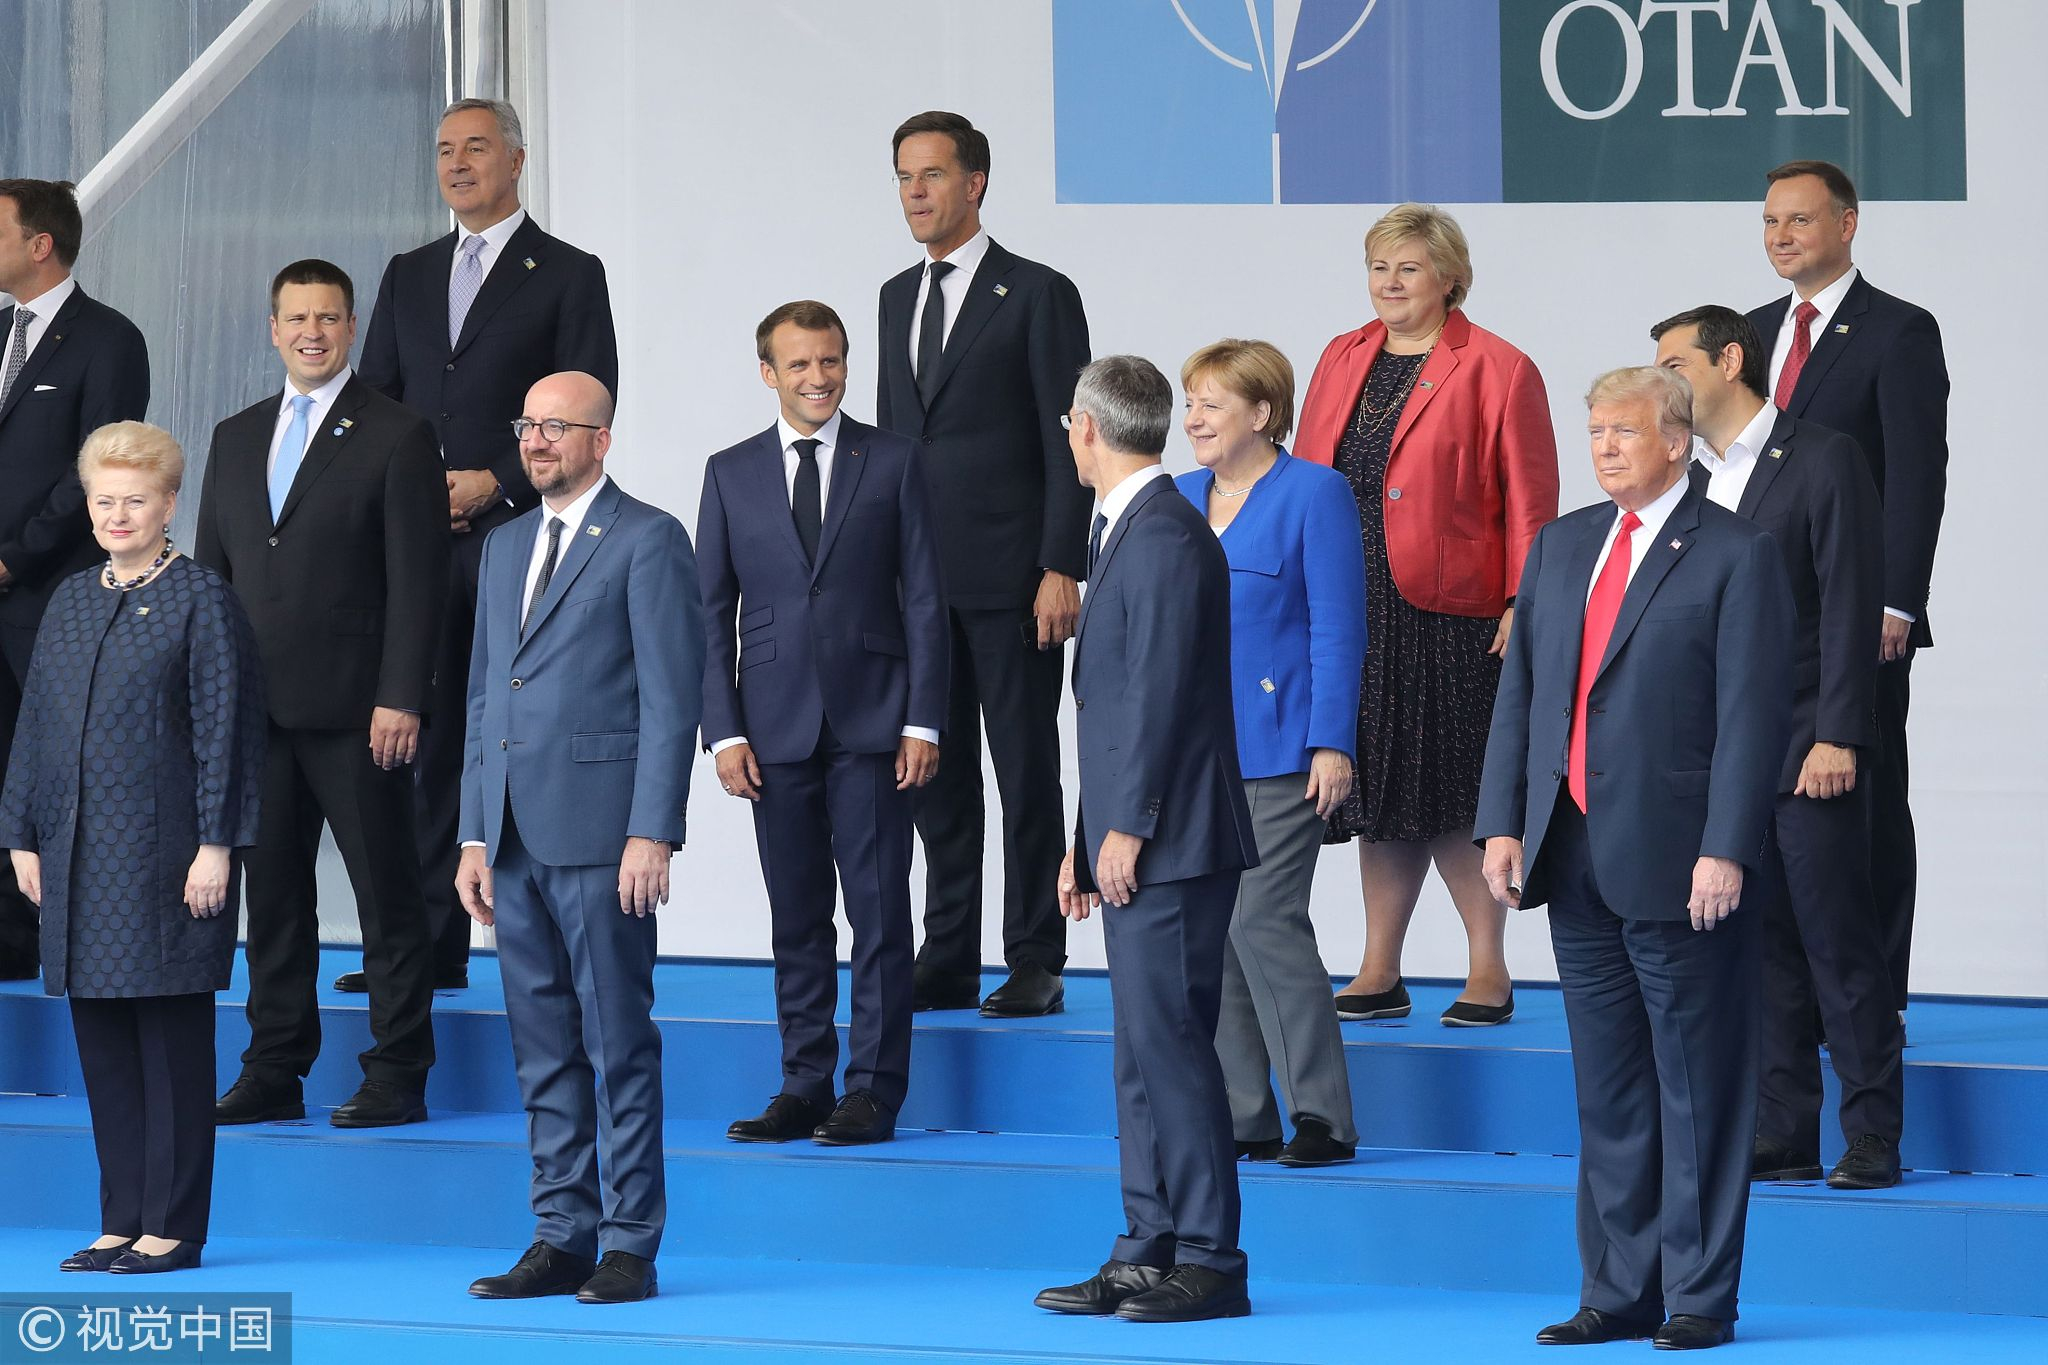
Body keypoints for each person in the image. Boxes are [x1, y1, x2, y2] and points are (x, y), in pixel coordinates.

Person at [1477, 366, 1792, 1351]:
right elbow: (1524, 696)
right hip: (1570, 853)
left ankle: (1697, 1295)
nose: (1604, 447)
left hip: (1682, 861)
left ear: (1675, 442)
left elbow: (1753, 718)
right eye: (1595, 431)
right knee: (1608, 1090)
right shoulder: (1561, 544)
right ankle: (1616, 1291)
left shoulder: (1737, 552)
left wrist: (1725, 847)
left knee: (1697, 1091)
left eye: (1623, 431)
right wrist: (1502, 822)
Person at [356, 97, 620, 996]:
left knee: (504, 728)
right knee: (414, 731)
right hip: (415, 542)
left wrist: (496, 482)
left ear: (516, 159)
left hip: (516, 535)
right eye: (445, 151)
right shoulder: (408, 272)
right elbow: (377, 398)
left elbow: (589, 396)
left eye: (476, 147)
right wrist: (408, 491)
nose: (458, 164)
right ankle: (421, 949)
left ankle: (530, 937)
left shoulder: (569, 271)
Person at [457, 371, 702, 1305]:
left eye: (557, 426)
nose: (537, 440)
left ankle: (629, 1243)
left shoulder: (649, 537)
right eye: (528, 423)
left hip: (603, 835)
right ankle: (561, 1232)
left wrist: (653, 830)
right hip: (512, 838)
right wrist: (473, 834)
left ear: (602, 438)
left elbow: (671, 700)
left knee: (616, 1042)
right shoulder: (504, 543)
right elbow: (486, 697)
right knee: (542, 1047)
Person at [0, 421, 264, 1274]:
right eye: (104, 499)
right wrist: (21, 835)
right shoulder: (72, 598)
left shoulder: (202, 598)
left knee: (170, 1046)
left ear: (169, 503)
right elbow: (36, 727)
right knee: (104, 1047)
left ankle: (173, 1226)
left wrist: (217, 844)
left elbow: (227, 732)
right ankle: (120, 1219)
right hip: (76, 855)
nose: (118, 514)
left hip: (169, 858)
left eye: (135, 500)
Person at [1651, 305, 1903, 1191]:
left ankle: (1872, 1131)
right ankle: (1784, 1128)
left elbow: (1849, 604)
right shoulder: (1686, 477)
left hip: (1806, 741)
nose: (1661, 383)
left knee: (1839, 940)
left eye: (1675, 364)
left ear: (1729, 360)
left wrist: (1838, 732)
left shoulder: (1824, 456)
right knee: (1759, 946)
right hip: (1722, 755)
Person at [196, 259, 448, 1129]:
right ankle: (274, 1066)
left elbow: (419, 579)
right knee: (271, 902)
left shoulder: (398, 433)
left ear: (351, 327)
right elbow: (215, 577)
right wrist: (211, 700)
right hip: (254, 714)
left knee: (387, 895)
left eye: (329, 317)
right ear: (274, 329)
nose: (313, 332)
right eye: (297, 318)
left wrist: (401, 694)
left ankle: (398, 1070)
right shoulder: (235, 435)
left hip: (360, 713)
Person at [1293, 203, 1557, 1026]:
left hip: (1452, 613)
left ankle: (1489, 969)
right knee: (1380, 791)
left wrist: (1521, 600)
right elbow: (1306, 472)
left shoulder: (1500, 366)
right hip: (1355, 603)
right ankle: (1380, 966)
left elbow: (1532, 499)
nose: (1390, 283)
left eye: (1408, 268)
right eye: (1379, 267)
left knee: (1456, 793)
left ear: (1450, 277)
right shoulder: (1342, 355)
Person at [1034, 356, 1259, 1324]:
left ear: (1086, 428)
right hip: (1141, 831)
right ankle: (1146, 1245)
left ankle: (1209, 1256)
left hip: (1172, 837)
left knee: (1170, 1046)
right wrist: (1086, 840)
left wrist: (1124, 826)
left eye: (1068, 424)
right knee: (1139, 1050)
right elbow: (1116, 706)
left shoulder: (1161, 534)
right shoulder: (1130, 527)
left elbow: (1161, 697)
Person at [699, 301, 948, 1146]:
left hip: (877, 722)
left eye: (831, 360)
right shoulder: (729, 472)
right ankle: (804, 1082)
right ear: (768, 372)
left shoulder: (896, 459)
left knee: (879, 915)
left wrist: (925, 720)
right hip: (771, 729)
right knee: (796, 916)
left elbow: (925, 598)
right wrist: (725, 730)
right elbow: (710, 612)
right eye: (801, 364)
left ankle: (873, 1089)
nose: (819, 377)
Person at [877, 111, 1091, 1018]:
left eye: (931, 174)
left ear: (975, 183)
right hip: (918, 585)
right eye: (903, 176)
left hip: (1014, 582)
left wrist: (1060, 564)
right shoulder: (894, 296)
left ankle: (1037, 955)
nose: (914, 192)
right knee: (937, 777)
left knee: (1026, 772)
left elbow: (1071, 441)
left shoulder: (1038, 293)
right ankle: (949, 955)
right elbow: (897, 444)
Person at [1745, 160, 1949, 1014]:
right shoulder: (1750, 332)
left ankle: (1875, 997)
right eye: (1770, 221)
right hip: (1762, 615)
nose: (1780, 236)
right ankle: (1791, 1002)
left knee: (1868, 803)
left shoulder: (1898, 330)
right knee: (1772, 809)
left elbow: (1916, 475)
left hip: (1858, 614)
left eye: (1798, 219)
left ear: (1847, 223)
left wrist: (1895, 601)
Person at [1172, 340, 1365, 1167]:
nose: (1193, 419)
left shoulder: (1314, 492)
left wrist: (1333, 740)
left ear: (1261, 413)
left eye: (1211, 403)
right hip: (1192, 757)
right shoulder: (1177, 497)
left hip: (1283, 749)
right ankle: (1245, 1114)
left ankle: (1321, 1115)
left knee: (1263, 917)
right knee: (1212, 929)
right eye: (1189, 402)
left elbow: (1339, 626)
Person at [0, 179, 151, 980]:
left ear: (41, 244)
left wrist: (13, 555)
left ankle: (69, 934)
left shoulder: (109, 339)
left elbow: (98, 470)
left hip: (54, 596)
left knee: (64, 770)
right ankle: (7, 936)